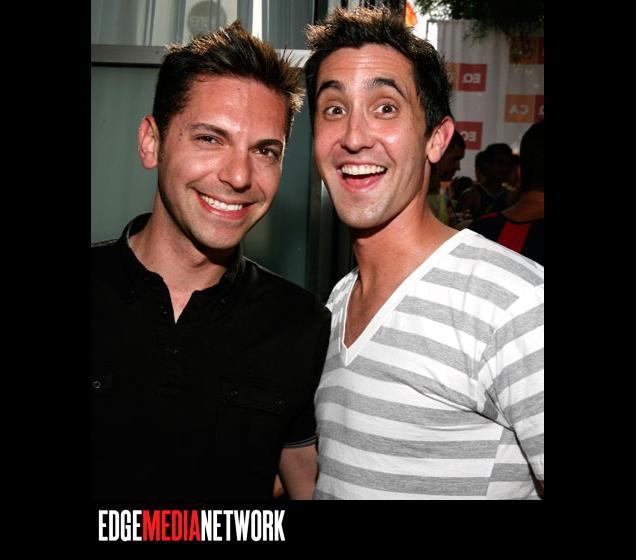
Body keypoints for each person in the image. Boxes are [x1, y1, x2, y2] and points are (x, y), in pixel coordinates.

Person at [304, 6, 544, 499]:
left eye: (385, 108)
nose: (353, 137)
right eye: (334, 109)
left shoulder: (514, 303)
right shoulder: (338, 301)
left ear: (437, 139)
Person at [91, 22, 331, 501]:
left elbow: (308, 485)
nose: (239, 176)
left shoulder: (300, 325)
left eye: (265, 151)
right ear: (151, 142)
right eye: (209, 139)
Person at [469, 121, 544, 265]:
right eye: (499, 163)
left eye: (507, 164)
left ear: (520, 170)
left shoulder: (478, 231)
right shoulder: (478, 223)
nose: (503, 169)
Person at [457, 142, 513, 220]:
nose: (505, 168)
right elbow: (458, 225)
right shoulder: (470, 196)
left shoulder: (510, 195)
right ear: (487, 164)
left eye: (508, 165)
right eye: (500, 163)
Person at [427, 130, 465, 225]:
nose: (458, 167)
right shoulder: (415, 194)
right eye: (454, 159)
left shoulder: (440, 192)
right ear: (436, 152)